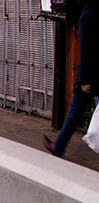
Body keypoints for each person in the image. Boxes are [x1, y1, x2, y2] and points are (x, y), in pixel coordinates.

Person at [45, 0, 97, 156]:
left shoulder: (87, 18)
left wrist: (85, 81)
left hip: (90, 72)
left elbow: (86, 52)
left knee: (76, 107)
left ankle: (59, 146)